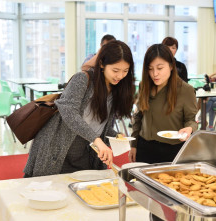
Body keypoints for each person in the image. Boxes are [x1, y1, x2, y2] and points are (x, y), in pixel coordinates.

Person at [24, 40, 135, 177]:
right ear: (101, 64)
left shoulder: (116, 89)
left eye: (125, 71)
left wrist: (115, 136)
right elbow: (69, 112)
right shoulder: (82, 79)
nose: (120, 76)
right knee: (49, 190)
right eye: (115, 70)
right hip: (58, 148)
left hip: (85, 152)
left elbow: (97, 123)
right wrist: (97, 140)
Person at [129, 44, 197, 164]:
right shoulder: (144, 86)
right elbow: (138, 117)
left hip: (172, 151)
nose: (155, 74)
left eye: (160, 68)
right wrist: (133, 145)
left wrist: (190, 128)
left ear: (171, 66)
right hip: (144, 147)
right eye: (150, 69)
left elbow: (191, 120)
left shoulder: (185, 90)